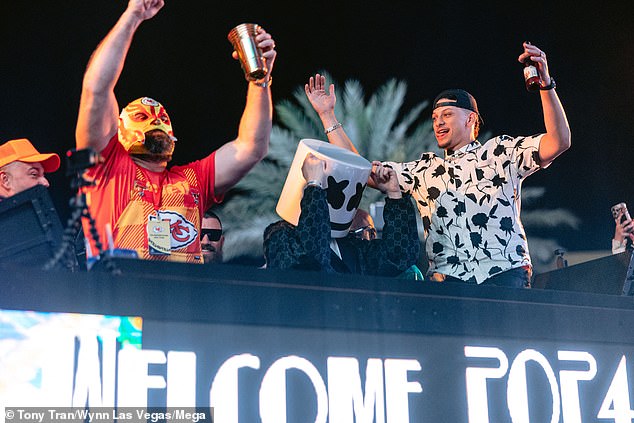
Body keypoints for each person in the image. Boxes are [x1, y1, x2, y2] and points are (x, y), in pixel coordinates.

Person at [304, 41, 571, 288]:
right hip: (449, 280)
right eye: (434, 117)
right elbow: (361, 170)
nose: (438, 122)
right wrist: (328, 116)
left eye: (447, 114)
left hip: (504, 273)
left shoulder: (501, 152)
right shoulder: (424, 171)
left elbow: (558, 141)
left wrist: (546, 86)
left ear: (470, 120)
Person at [75, 0, 276, 263]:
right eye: (142, 116)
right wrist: (132, 16)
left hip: (184, 300)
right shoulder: (105, 167)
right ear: (120, 130)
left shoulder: (193, 179)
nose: (156, 120)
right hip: (120, 296)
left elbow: (252, 147)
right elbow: (97, 87)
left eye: (162, 117)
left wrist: (260, 80)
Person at [263, 153, 420, 276]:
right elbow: (313, 259)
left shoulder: (352, 247)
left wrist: (394, 195)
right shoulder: (280, 235)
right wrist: (314, 186)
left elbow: (399, 257)